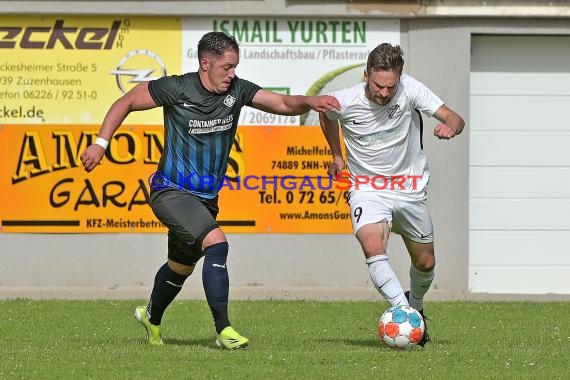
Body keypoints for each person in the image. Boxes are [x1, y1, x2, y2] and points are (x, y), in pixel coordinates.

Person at [80, 31, 340, 348]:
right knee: (217, 244)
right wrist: (101, 144)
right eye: (226, 67)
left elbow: (283, 102)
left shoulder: (238, 90)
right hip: (170, 191)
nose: (232, 74)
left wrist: (310, 102)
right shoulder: (177, 88)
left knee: (181, 266)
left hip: (205, 200)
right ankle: (223, 331)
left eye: (235, 67)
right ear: (206, 63)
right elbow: (128, 101)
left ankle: (151, 316)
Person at [318, 43, 464, 346]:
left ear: (399, 79)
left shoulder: (410, 89)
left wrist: (451, 128)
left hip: (410, 189)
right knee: (372, 244)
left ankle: (417, 304)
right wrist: (336, 154)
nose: (384, 93)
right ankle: (404, 312)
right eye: (378, 85)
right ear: (366, 75)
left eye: (390, 87)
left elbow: (455, 118)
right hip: (367, 188)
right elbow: (325, 117)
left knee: (425, 263)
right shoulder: (345, 101)